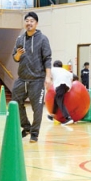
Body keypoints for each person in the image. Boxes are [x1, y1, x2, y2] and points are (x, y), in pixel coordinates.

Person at [11, 11, 52, 143]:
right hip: (22, 78)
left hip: (37, 79)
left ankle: (35, 133)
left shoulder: (43, 39)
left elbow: (47, 58)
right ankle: (26, 127)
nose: (29, 23)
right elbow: (15, 58)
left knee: (37, 108)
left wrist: (48, 77)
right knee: (16, 102)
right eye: (27, 20)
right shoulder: (19, 39)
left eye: (32, 21)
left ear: (36, 23)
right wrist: (17, 54)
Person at [47, 60, 74, 125]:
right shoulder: (65, 70)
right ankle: (52, 115)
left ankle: (68, 118)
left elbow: (47, 76)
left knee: (59, 101)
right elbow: (74, 76)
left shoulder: (53, 69)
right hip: (67, 86)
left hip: (60, 85)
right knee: (57, 98)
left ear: (54, 65)